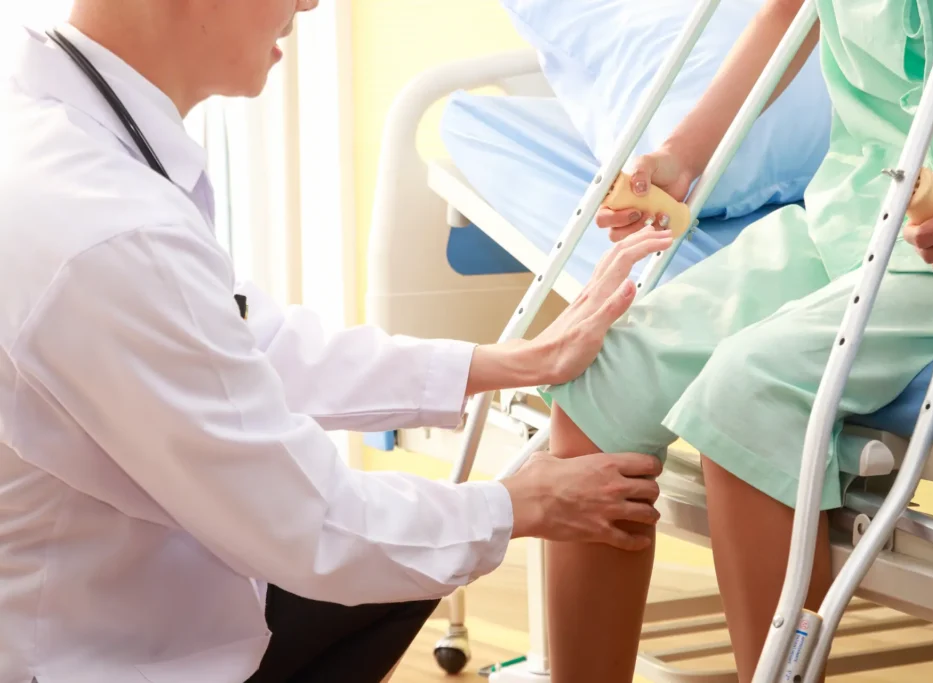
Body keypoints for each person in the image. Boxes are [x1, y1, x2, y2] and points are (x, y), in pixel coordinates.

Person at [0, 1, 677, 682]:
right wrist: (530, 501)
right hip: (82, 651)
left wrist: (506, 363)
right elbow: (306, 522)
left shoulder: (56, 129)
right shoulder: (103, 230)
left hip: (110, 586)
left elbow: (240, 341)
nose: (310, 3)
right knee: (406, 559)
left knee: (411, 565)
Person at [539, 1, 933, 681]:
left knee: (748, 391)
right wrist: (682, 157)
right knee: (605, 376)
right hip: (851, 217)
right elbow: (787, 11)